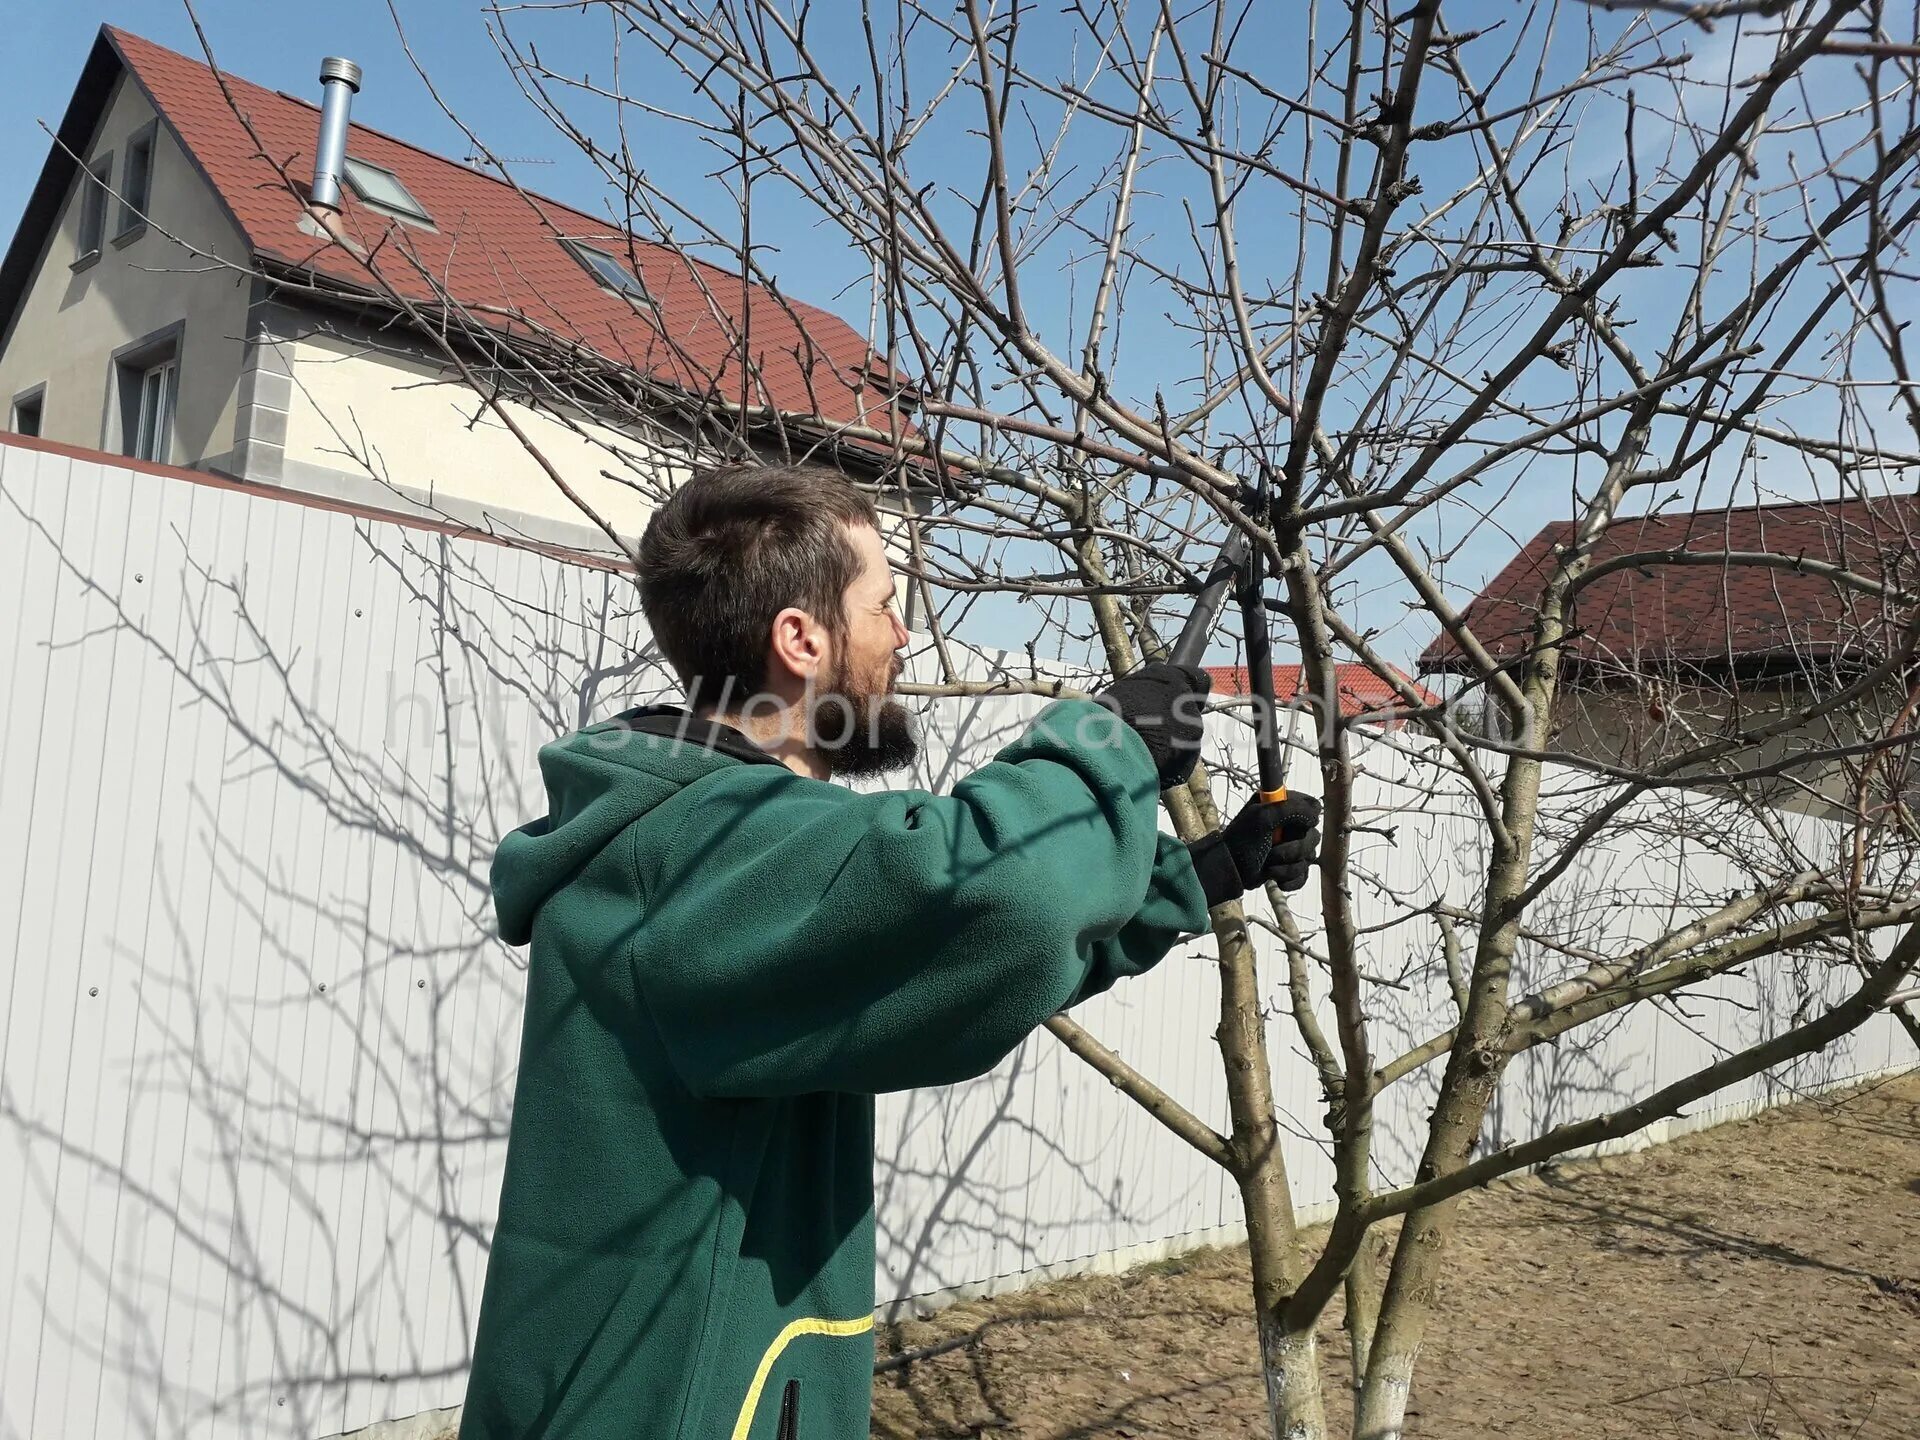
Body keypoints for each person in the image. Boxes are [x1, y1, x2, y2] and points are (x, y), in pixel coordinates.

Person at [457, 463, 1320, 1440]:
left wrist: (1192, 878)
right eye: (884, 605)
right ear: (802, 638)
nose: (905, 637)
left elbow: (927, 957)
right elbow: (997, 893)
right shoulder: (706, 852)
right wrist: (1109, 748)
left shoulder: (685, 844)